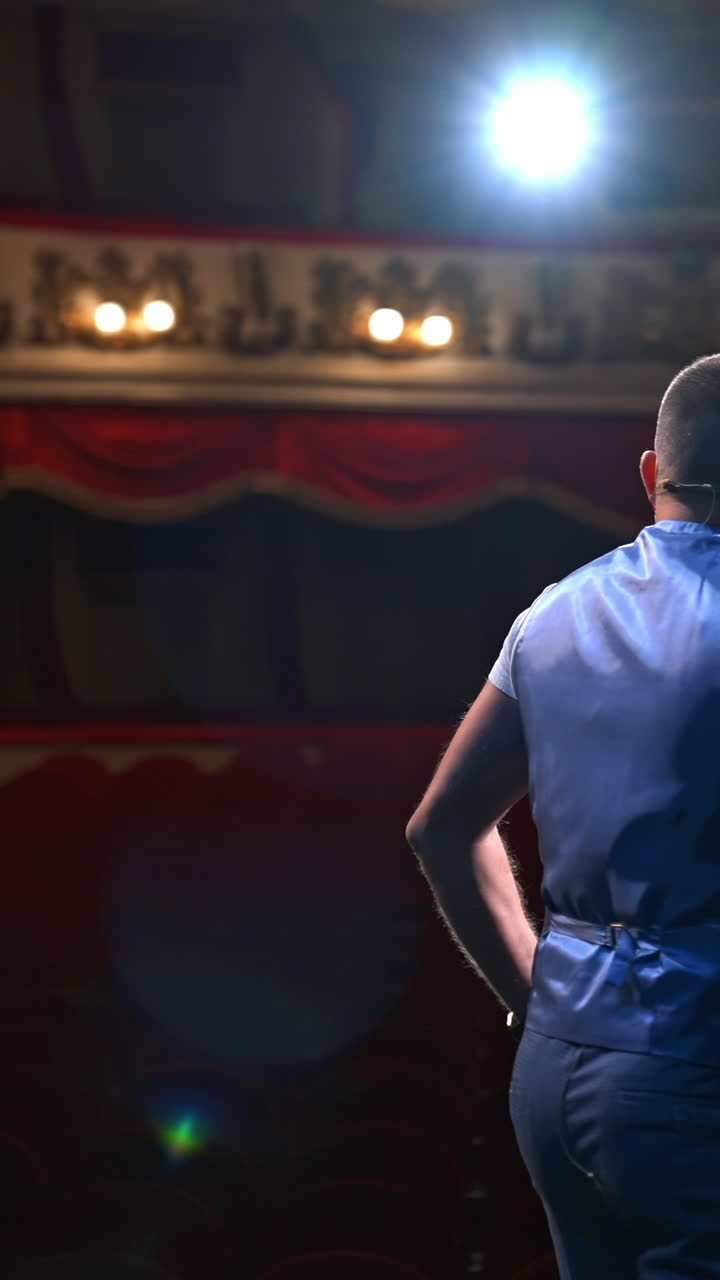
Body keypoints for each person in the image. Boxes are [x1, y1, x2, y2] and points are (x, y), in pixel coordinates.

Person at [406, 353, 720, 1280]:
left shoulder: (550, 614)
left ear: (649, 473)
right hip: (697, 1072)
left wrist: (535, 999)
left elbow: (440, 828)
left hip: (555, 1074)